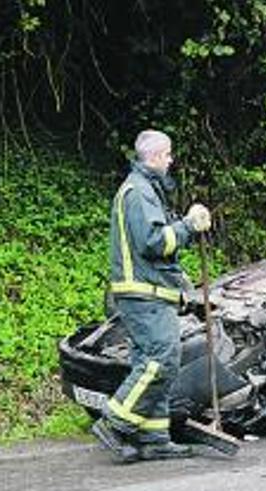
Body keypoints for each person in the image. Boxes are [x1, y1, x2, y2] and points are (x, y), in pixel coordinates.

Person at [91, 129, 212, 463]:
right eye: (169, 155)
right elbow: (154, 242)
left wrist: (179, 276)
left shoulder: (143, 189)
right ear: (157, 156)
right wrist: (189, 226)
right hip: (143, 294)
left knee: (154, 361)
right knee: (162, 358)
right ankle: (115, 422)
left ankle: (153, 436)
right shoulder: (139, 191)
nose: (171, 161)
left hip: (148, 291)